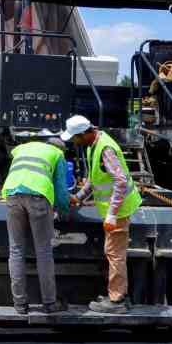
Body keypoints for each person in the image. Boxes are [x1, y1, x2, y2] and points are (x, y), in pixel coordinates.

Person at [63, 114, 142, 314]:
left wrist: (112, 215)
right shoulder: (94, 146)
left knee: (115, 254)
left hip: (120, 209)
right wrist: (79, 197)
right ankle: (119, 294)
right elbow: (95, 178)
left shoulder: (105, 148)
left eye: (75, 138)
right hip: (116, 209)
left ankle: (116, 300)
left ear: (84, 134)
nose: (74, 142)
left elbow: (121, 181)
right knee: (114, 252)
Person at [1, 132, 71, 314]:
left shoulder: (23, 148)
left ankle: (20, 304)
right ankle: (49, 303)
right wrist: (64, 210)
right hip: (37, 197)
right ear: (60, 149)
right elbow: (62, 190)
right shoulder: (58, 155)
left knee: (16, 250)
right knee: (44, 251)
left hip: (12, 195)